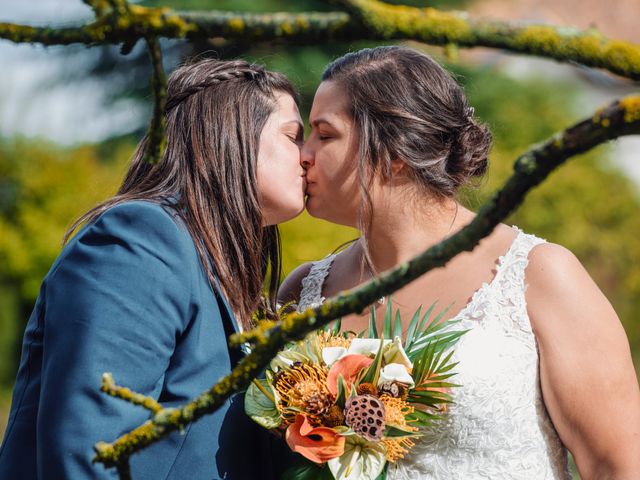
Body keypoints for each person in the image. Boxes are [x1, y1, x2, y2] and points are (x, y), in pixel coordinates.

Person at [279, 46, 640, 479]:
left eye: (325, 134)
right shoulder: (301, 293)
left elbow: (618, 465)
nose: (303, 154)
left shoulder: (539, 276)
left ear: (396, 150)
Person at [0, 58, 306, 479]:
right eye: (293, 136)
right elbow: (89, 454)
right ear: (232, 135)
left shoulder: (219, 271)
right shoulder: (141, 240)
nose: (307, 157)